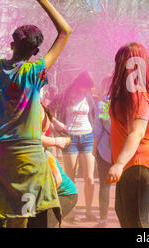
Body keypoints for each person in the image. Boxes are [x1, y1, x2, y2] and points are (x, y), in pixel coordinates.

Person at [0, 0, 72, 228]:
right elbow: (65, 31)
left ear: (11, 44)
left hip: (1, 158)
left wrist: (0, 114)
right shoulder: (35, 71)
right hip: (29, 162)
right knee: (23, 218)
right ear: (36, 51)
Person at [107, 42, 149, 228]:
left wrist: (118, 164)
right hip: (133, 163)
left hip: (141, 161)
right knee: (126, 216)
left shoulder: (138, 94)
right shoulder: (135, 93)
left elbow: (137, 132)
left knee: (137, 221)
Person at [50, 71, 97, 222]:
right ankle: (71, 212)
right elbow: (47, 109)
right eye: (85, 87)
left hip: (87, 137)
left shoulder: (88, 97)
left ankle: (89, 211)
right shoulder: (64, 96)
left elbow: (95, 115)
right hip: (70, 138)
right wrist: (56, 124)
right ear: (79, 84)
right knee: (71, 177)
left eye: (88, 89)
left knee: (89, 178)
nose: (86, 91)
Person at [28, 103, 78, 228]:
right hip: (40, 196)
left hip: (64, 194)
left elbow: (57, 181)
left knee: (40, 225)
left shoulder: (45, 155)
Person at [93, 75, 113, 227]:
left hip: (105, 148)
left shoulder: (103, 105)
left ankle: (103, 219)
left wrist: (93, 151)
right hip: (125, 149)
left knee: (104, 185)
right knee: (124, 186)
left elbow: (97, 130)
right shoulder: (127, 103)